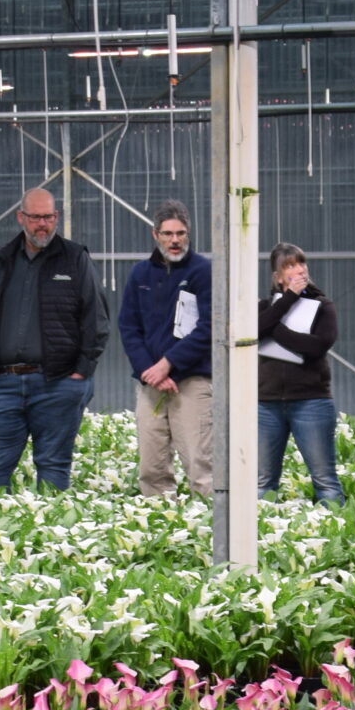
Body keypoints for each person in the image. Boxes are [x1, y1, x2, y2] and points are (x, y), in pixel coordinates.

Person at [0, 188, 107, 491]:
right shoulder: (1, 259)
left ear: (56, 217)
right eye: (35, 217)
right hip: (2, 384)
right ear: (21, 218)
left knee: (53, 468)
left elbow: (96, 319)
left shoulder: (74, 258)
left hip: (57, 384)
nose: (42, 224)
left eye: (48, 217)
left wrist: (80, 373)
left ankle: (48, 538)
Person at [118, 200, 214, 498]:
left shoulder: (203, 271)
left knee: (201, 464)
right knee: (152, 465)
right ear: (155, 234)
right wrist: (152, 371)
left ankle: (209, 532)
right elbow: (128, 327)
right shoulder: (140, 274)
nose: (175, 240)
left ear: (189, 234)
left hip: (192, 381)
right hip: (151, 382)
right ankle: (162, 525)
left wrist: (169, 363)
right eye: (168, 233)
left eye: (181, 233)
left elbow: (210, 327)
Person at [257, 242, 343, 504]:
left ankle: (336, 530)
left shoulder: (321, 306)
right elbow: (253, 330)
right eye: (289, 266)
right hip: (267, 402)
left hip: (311, 400)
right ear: (278, 276)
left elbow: (316, 346)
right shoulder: (264, 307)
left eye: (300, 263)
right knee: (262, 483)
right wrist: (288, 301)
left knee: (325, 480)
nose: (298, 270)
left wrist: (276, 330)